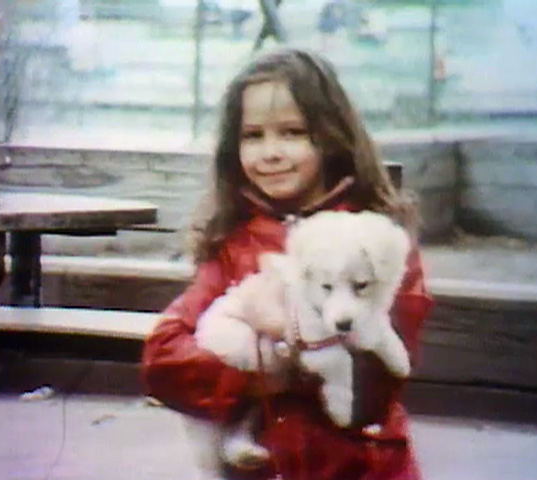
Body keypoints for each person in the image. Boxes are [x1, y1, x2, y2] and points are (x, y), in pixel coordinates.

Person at [141, 47, 433, 480]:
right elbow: (163, 361)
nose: (270, 152)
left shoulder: (374, 241)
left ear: (332, 136)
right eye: (252, 136)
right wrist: (272, 376)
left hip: (360, 469)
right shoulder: (233, 242)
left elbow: (373, 391)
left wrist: (284, 337)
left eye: (293, 133)